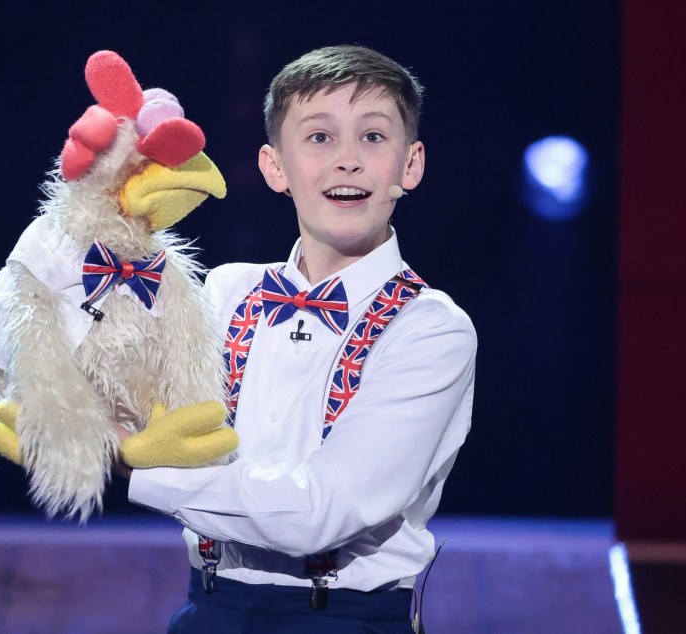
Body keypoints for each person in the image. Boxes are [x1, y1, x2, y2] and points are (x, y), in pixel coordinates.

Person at [126, 44, 477, 633]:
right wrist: (93, 214)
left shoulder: (432, 329)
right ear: (274, 167)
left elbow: (321, 511)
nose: (347, 160)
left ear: (409, 166)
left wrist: (136, 467)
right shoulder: (225, 293)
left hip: (343, 618)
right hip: (208, 609)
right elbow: (105, 376)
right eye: (319, 137)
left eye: (372, 137)